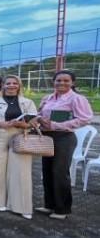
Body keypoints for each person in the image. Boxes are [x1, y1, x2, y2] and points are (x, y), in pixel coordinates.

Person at [35, 70, 93, 220]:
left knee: (59, 173)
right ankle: (49, 205)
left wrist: (56, 124)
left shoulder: (76, 99)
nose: (62, 83)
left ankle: (62, 209)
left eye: (66, 81)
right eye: (58, 80)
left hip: (63, 138)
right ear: (54, 82)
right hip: (47, 136)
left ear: (73, 83)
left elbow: (85, 118)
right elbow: (40, 113)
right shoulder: (48, 98)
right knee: (47, 172)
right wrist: (40, 118)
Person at [0, 75, 37, 219]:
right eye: (8, 83)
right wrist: (1, 124)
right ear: (3, 85)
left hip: (20, 136)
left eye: (15, 83)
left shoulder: (28, 102)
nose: (11, 85)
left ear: (19, 86)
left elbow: (33, 122)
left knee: (21, 171)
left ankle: (22, 206)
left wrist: (20, 124)